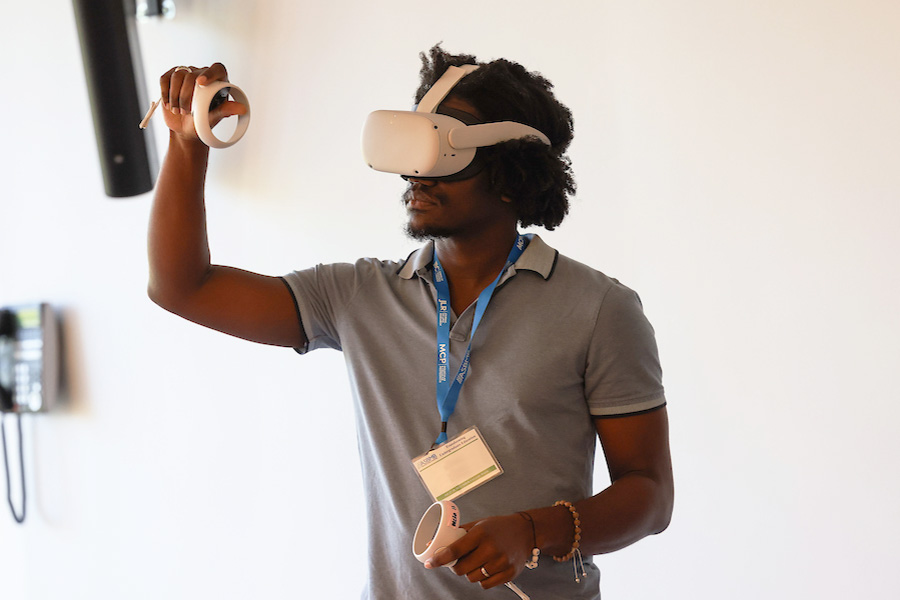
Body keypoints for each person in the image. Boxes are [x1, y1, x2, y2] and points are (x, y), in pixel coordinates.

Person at [147, 44, 674, 600]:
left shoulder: (599, 310)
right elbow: (183, 286)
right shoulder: (359, 296)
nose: (417, 173)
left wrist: (533, 531)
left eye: (446, 148)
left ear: (511, 174)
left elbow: (650, 494)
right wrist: (188, 143)